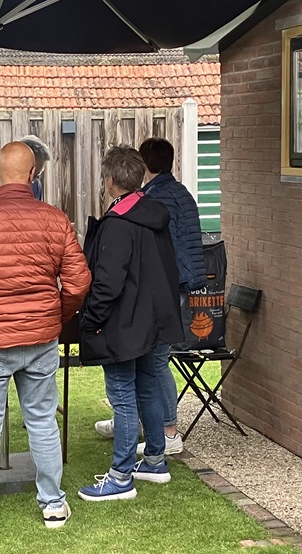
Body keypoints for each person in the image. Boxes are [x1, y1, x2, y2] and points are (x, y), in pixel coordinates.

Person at [0, 141, 90, 537]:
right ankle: (53, 505)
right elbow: (78, 282)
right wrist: (55, 315)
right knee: (42, 421)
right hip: (40, 339)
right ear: (32, 174)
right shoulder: (55, 220)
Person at [77, 145, 183, 501]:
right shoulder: (154, 213)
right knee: (148, 387)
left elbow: (107, 283)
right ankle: (154, 460)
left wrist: (91, 320)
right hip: (154, 321)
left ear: (109, 180)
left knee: (122, 397)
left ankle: (121, 476)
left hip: (125, 324)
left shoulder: (118, 224)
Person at [93, 137, 206, 456]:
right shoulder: (178, 192)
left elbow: (155, 252)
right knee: (151, 360)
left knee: (154, 362)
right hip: (177, 284)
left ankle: (168, 431)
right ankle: (137, 423)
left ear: (145, 167)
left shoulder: (155, 200)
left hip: (166, 287)